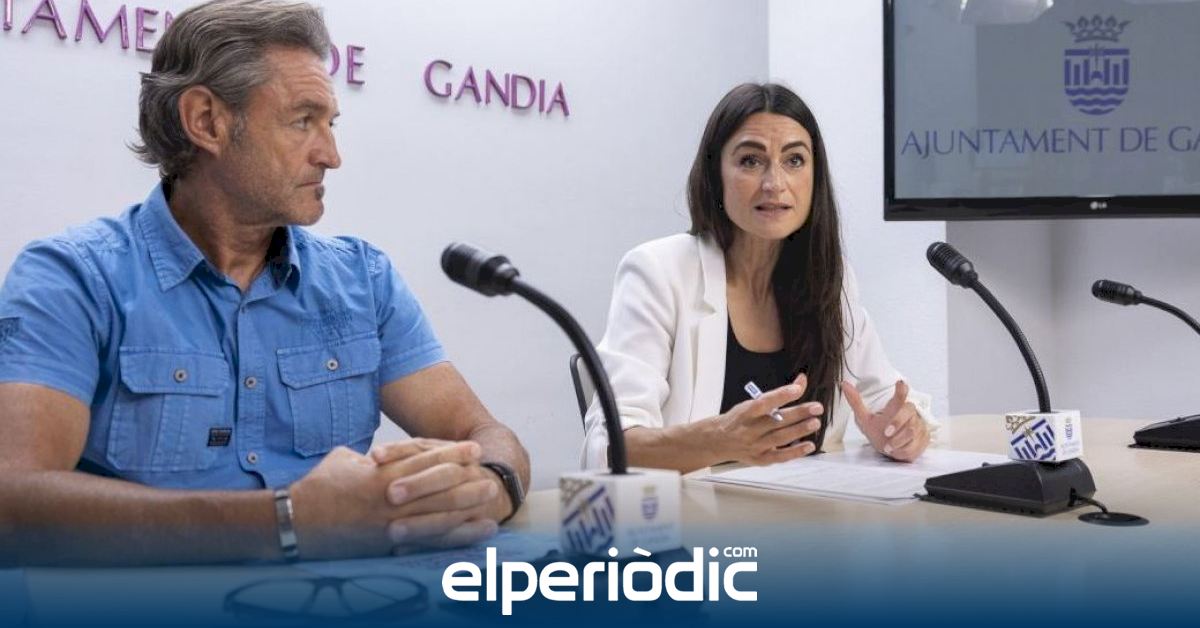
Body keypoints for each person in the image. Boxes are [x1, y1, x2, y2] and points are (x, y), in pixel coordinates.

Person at [0, 0, 528, 566]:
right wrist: (287, 521)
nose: (331, 156)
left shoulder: (364, 279)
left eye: (330, 124)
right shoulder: (72, 279)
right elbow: (14, 505)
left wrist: (487, 485)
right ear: (206, 121)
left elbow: (483, 432)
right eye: (303, 121)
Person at [582, 83, 938, 472]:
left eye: (795, 160)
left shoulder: (829, 279)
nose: (775, 184)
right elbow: (608, 447)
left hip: (812, 506)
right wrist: (717, 440)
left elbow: (888, 398)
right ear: (715, 174)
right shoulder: (658, 272)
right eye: (751, 161)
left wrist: (900, 430)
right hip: (695, 509)